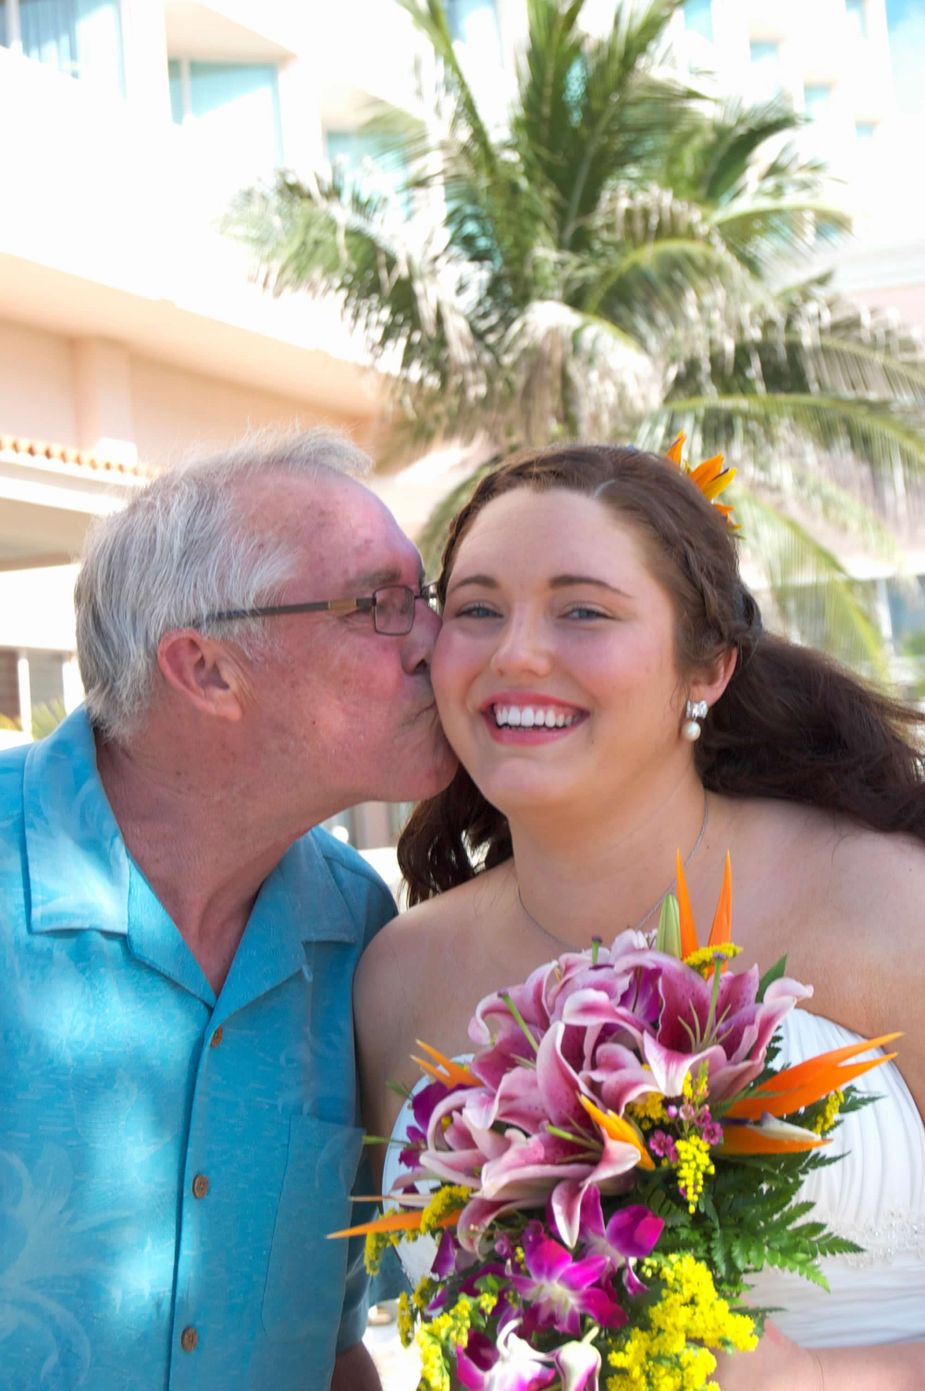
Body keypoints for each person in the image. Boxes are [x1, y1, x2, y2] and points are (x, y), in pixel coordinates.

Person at [356, 442, 925, 1387]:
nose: (516, 652)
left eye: (583, 610)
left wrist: (820, 1383)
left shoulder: (885, 898)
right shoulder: (394, 974)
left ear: (705, 670)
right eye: (476, 610)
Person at [0, 430, 457, 1391]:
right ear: (206, 669)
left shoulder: (359, 929)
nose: (438, 641)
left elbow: (332, 1348)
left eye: (426, 596)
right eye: (380, 604)